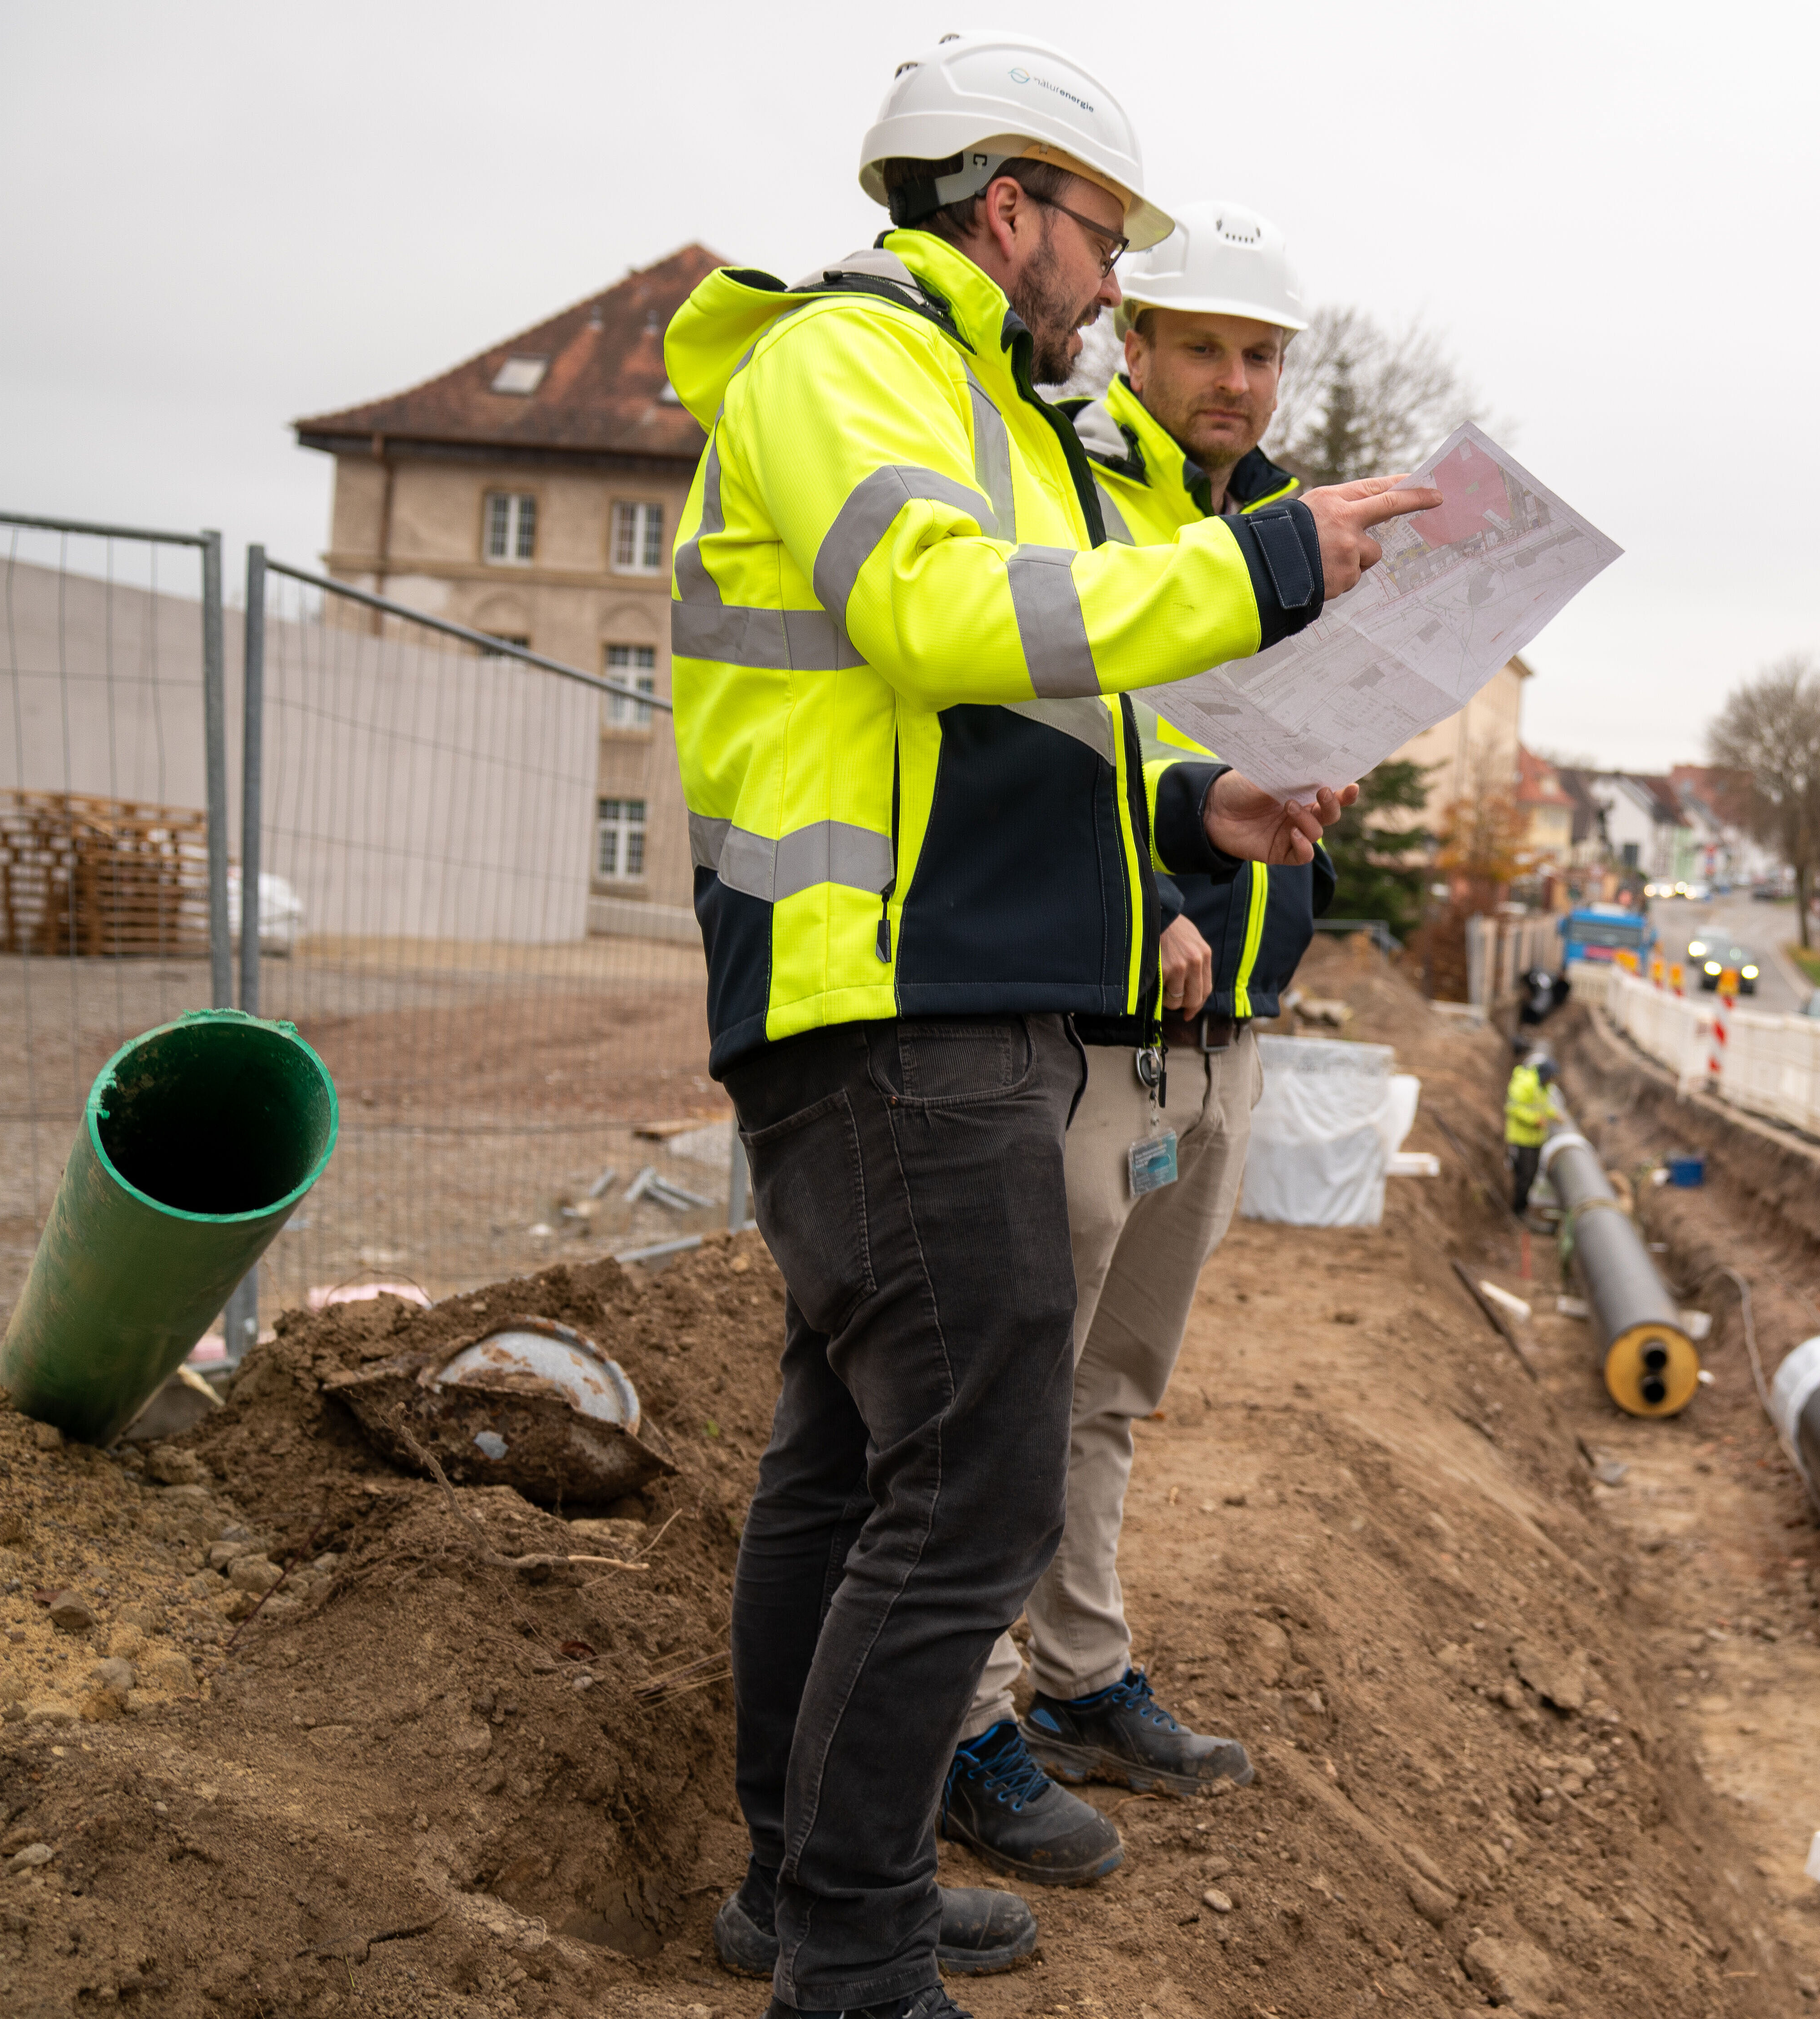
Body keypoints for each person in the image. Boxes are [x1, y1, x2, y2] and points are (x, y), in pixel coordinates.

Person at [665, 35, 1437, 2019]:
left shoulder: (974, 394)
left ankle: (806, 1886)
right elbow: (944, 619)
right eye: (1103, 237)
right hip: (887, 998)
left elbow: (1028, 716)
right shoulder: (849, 363)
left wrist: (1198, 811)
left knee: (848, 1468)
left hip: (940, 988)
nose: (1113, 281)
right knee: (974, 1486)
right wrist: (1267, 558)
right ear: (1005, 209)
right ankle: (852, 1942)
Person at [935, 202, 1341, 1888]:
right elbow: (1039, 741)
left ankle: (1084, 1672)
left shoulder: (1279, 534)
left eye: (1261, 356)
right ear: (1140, 342)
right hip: (1095, 1019)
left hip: (1224, 1030)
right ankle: (969, 1721)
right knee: (1009, 1392)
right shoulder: (1070, 490)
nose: (1235, 381)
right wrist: (1142, 897)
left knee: (1113, 1389)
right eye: (1206, 347)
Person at [1506, 1051, 1567, 1212]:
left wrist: (1555, 1115)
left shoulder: (1544, 1087)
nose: (1552, 1081)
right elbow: (1513, 1108)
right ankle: (1517, 1210)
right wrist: (1535, 1120)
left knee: (1532, 1175)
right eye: (1551, 1077)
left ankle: (1523, 1206)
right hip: (1522, 1139)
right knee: (1524, 1176)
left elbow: (1543, 1106)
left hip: (1536, 1139)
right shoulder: (1525, 1084)